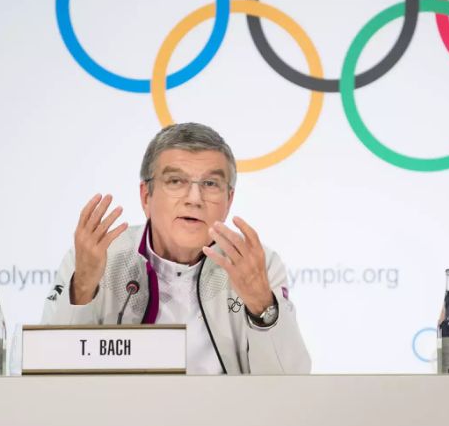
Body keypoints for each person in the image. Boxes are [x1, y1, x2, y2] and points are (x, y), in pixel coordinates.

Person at [42, 122, 311, 375]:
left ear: (229, 200)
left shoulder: (255, 265)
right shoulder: (99, 257)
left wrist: (261, 305)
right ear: (146, 196)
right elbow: (49, 368)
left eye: (210, 184)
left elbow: (290, 382)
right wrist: (84, 287)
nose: (194, 199)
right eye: (176, 182)